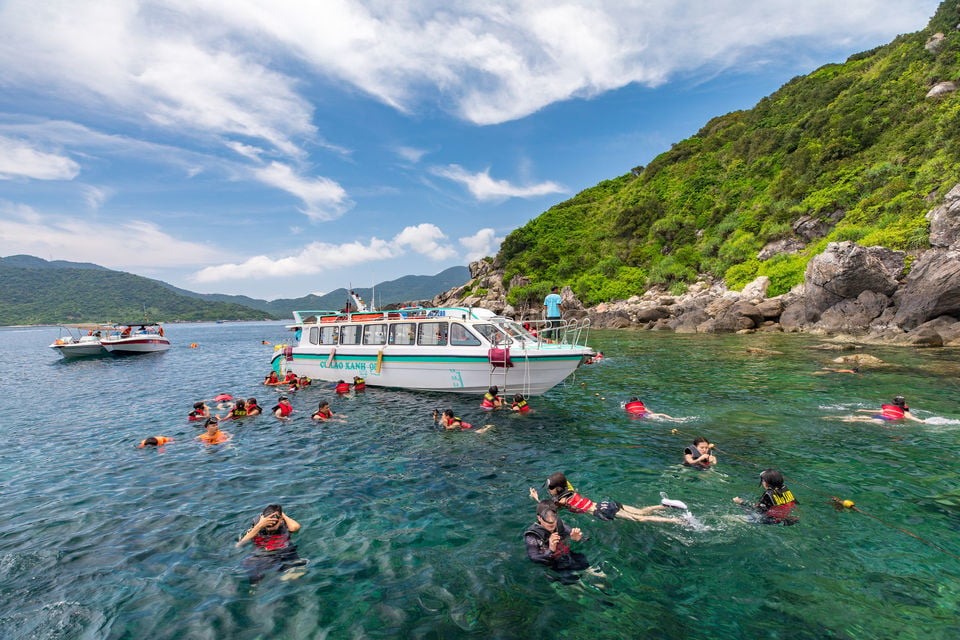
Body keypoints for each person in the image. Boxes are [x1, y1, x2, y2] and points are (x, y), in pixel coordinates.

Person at [529, 472, 684, 523]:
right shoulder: (571, 491)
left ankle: (676, 521)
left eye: (550, 489)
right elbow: (564, 481)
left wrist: (536, 498)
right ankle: (664, 506)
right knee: (641, 512)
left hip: (602, 511)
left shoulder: (562, 501)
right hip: (605, 504)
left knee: (640, 519)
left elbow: (548, 509)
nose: (549, 492)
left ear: (557, 489)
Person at [236, 504, 305, 584]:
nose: (271, 527)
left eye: (274, 524)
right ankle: (257, 586)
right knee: (248, 565)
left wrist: (282, 515)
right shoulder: (256, 527)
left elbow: (295, 527)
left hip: (284, 552)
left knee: (300, 571)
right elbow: (239, 545)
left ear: (281, 520)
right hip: (264, 555)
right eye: (268, 525)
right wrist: (259, 526)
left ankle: (278, 580)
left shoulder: (283, 523)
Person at [524, 500, 589, 576]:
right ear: (539, 518)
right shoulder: (532, 536)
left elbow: (583, 539)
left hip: (566, 554)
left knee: (585, 564)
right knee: (570, 579)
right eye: (546, 518)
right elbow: (533, 557)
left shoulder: (559, 525)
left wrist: (578, 540)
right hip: (552, 563)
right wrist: (550, 550)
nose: (551, 522)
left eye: (553, 516)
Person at [733, 469, 799, 525]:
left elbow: (757, 511)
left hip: (772, 520)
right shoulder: (785, 489)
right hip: (789, 518)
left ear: (766, 483)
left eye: (763, 480)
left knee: (729, 518)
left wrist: (741, 503)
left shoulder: (768, 495)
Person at [841, 396, 925, 423]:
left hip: (880, 416)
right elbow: (912, 418)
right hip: (886, 419)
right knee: (870, 421)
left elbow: (877, 411)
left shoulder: (890, 408)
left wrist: (863, 410)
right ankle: (852, 420)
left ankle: (841, 418)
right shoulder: (905, 413)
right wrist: (922, 421)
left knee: (865, 417)